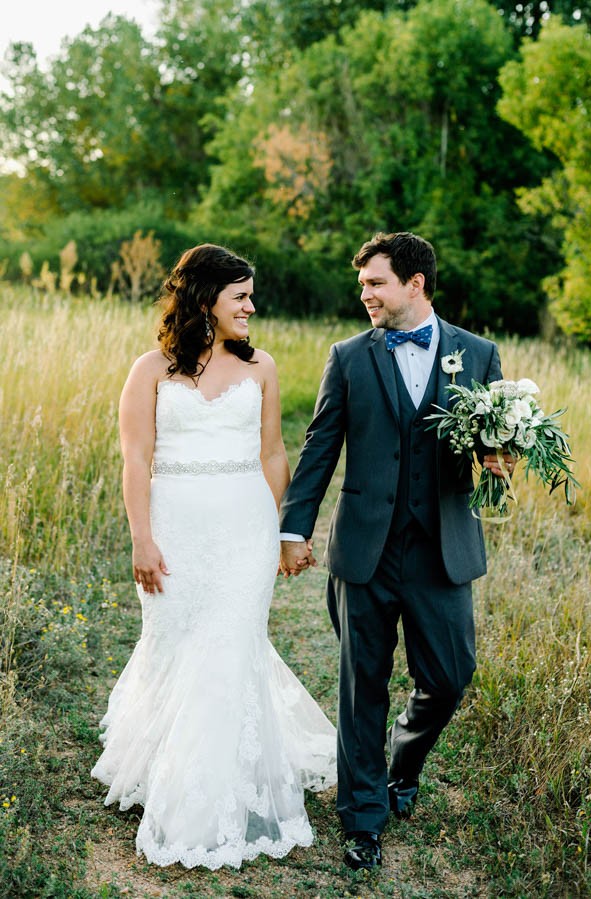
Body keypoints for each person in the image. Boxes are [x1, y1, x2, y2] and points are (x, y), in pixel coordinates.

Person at [91, 243, 336, 870]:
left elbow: (274, 453)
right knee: (173, 642)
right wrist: (142, 537)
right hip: (173, 531)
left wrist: (277, 530)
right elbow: (136, 460)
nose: (252, 307)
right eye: (241, 297)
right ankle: (160, 760)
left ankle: (206, 800)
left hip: (243, 530)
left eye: (251, 296)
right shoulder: (150, 369)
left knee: (229, 648)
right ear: (206, 301)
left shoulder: (262, 368)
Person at [279, 231, 514, 871]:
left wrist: (499, 459)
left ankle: (402, 765)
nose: (365, 295)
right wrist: (293, 528)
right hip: (365, 548)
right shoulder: (348, 356)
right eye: (362, 285)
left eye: (375, 283)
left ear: (415, 283)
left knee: (449, 676)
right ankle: (362, 819)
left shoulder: (479, 354)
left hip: (443, 549)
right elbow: (320, 445)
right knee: (363, 685)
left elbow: (490, 444)